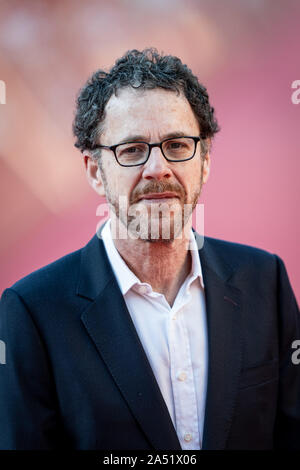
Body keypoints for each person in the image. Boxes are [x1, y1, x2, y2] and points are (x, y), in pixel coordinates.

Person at [0, 48, 299, 451]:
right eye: (132, 149)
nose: (157, 168)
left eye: (177, 145)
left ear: (205, 160)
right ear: (94, 170)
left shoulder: (267, 282)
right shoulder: (31, 313)